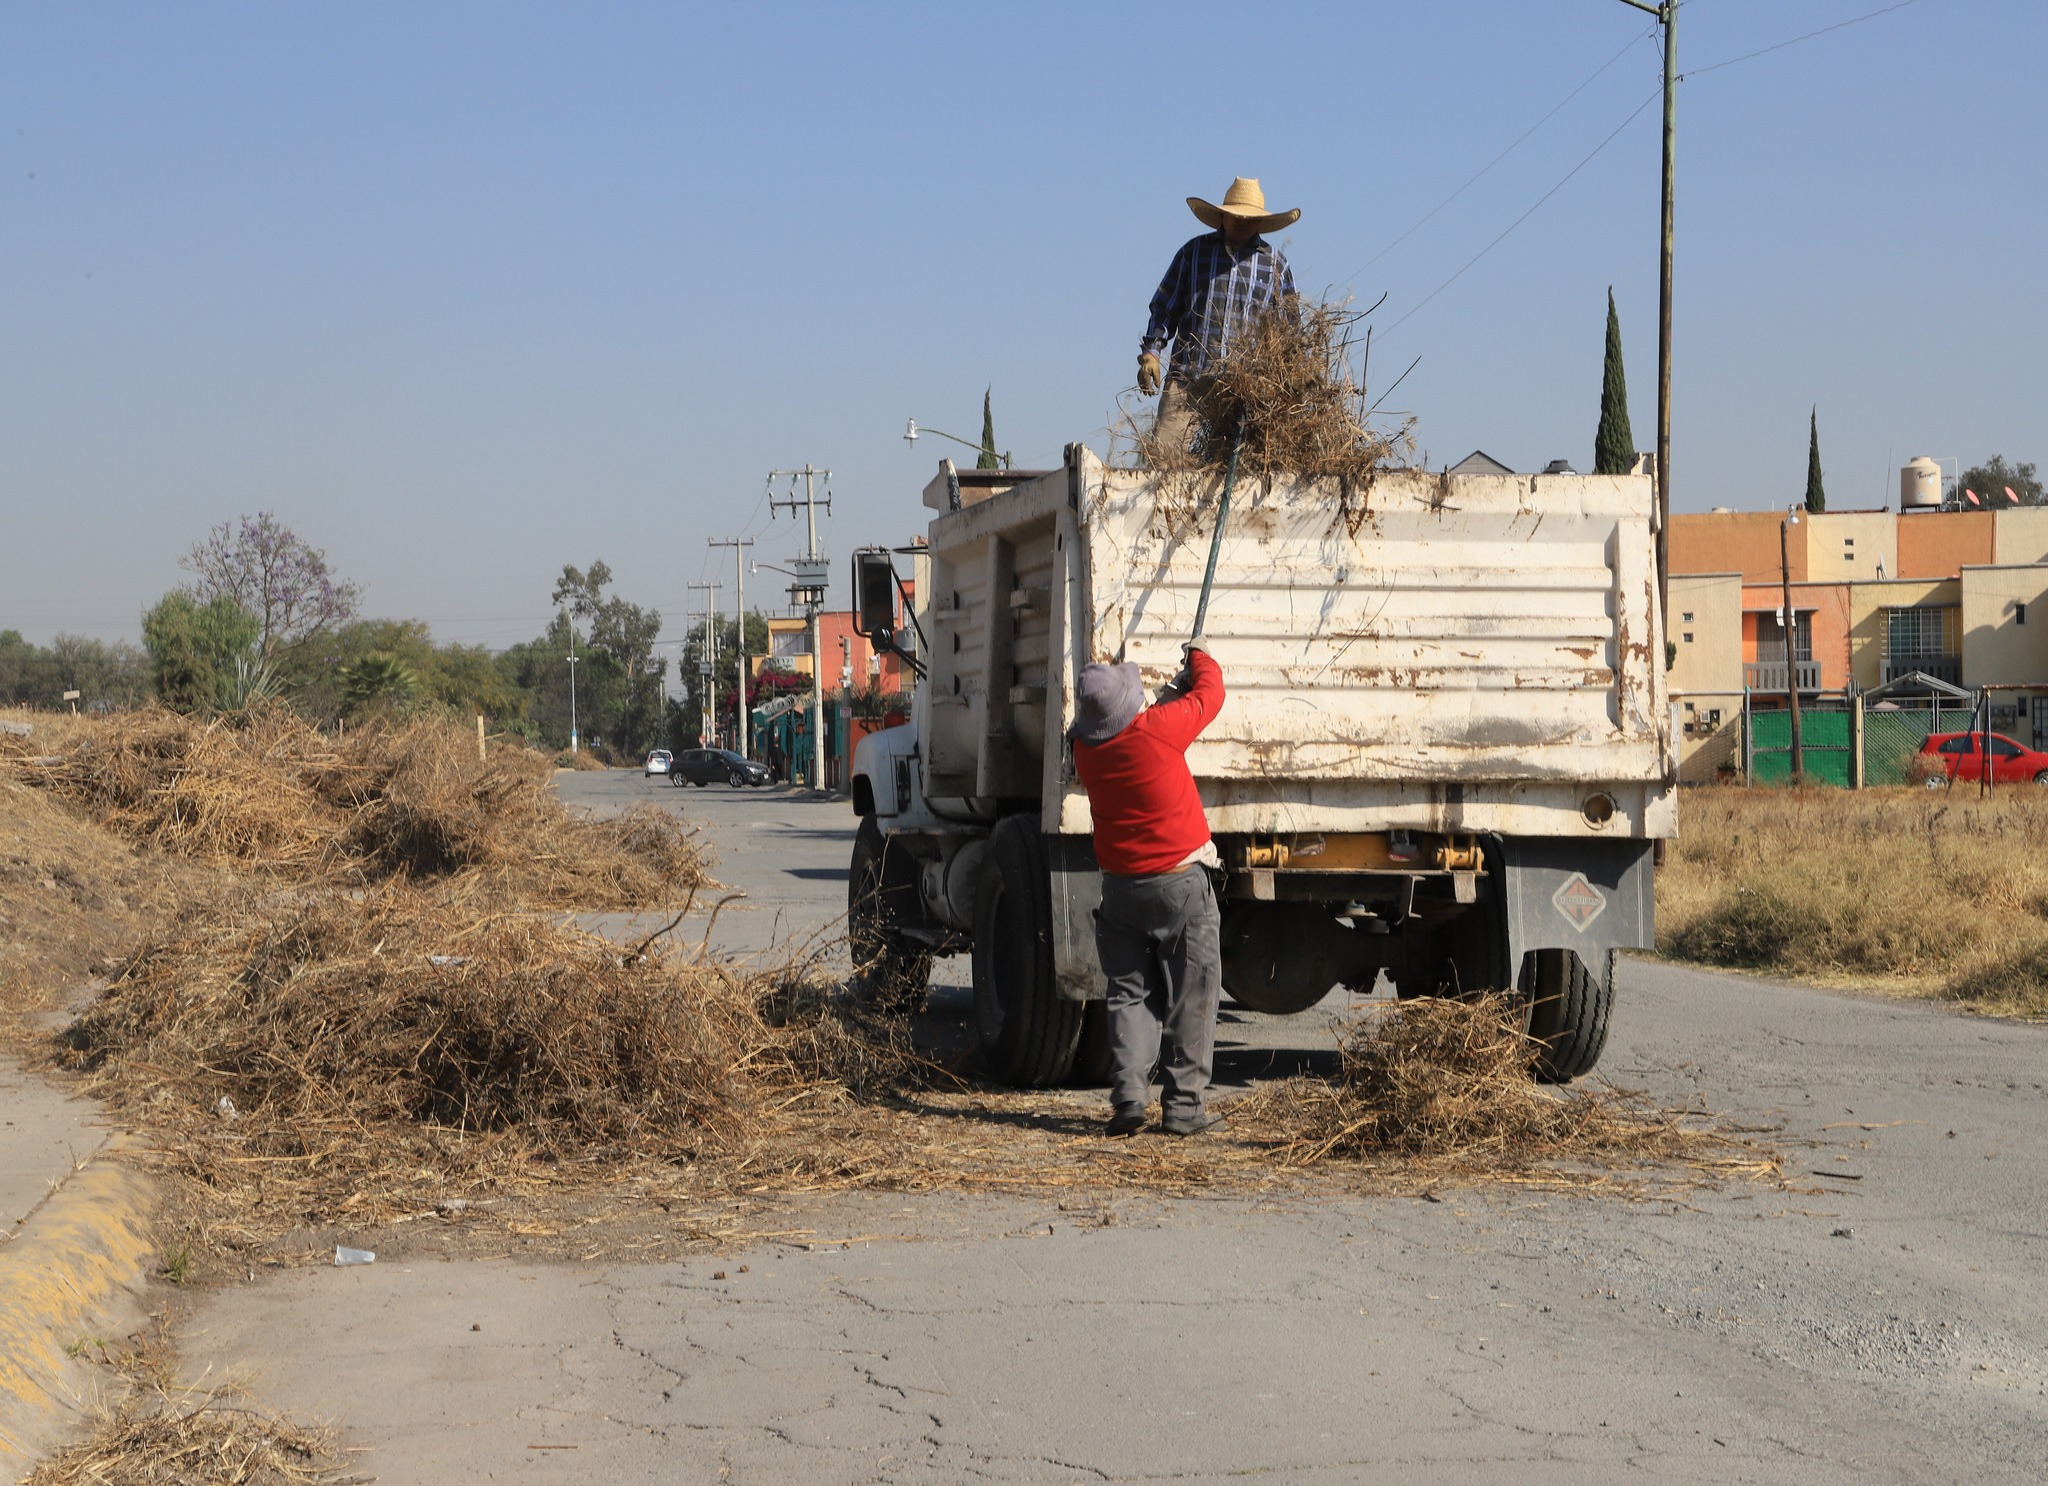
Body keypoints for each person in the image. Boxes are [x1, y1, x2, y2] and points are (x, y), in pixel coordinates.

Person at [1069, 642, 1226, 1136]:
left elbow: (1127, 729)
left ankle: (1129, 1103)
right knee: (1192, 993)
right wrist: (1198, 657)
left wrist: (1161, 702)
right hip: (1179, 884)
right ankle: (1182, 1110)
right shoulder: (1157, 732)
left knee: (1130, 996)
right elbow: (1211, 695)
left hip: (1120, 891)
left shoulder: (1086, 750)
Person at [1138, 177, 1300, 455]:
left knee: (1231, 472)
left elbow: (1290, 328)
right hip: (1188, 381)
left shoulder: (1275, 265)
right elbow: (1165, 305)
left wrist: (1292, 376)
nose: (1241, 222)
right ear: (1222, 216)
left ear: (1259, 222)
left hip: (1242, 390)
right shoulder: (1193, 253)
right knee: (1164, 460)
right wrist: (1152, 353)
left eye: (1248, 218)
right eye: (1235, 216)